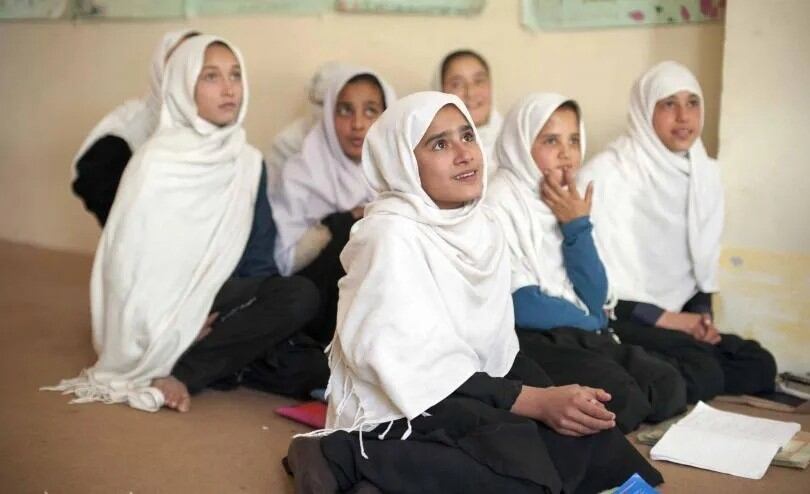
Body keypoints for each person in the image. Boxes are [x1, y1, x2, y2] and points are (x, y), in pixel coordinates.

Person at [285, 92, 663, 494]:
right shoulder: (390, 235)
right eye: (440, 144)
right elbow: (415, 368)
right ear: (403, 163)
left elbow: (494, 354)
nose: (465, 154)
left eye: (467, 136)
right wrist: (531, 400)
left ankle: (385, 480)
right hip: (403, 404)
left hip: (472, 383)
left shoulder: (482, 227)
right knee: (526, 470)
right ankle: (343, 456)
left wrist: (549, 398)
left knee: (582, 433)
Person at [45, 35, 325, 413]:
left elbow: (258, 259)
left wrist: (251, 306)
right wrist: (181, 320)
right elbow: (128, 268)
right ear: (181, 85)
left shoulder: (247, 162)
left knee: (299, 299)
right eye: (210, 76)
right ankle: (190, 370)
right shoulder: (154, 162)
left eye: (235, 75)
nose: (229, 89)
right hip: (162, 307)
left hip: (218, 297)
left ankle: (214, 359)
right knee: (293, 361)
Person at [487, 93, 687, 432]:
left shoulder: (568, 198)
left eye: (574, 140)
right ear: (520, 143)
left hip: (581, 328)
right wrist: (591, 320)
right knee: (620, 399)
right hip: (531, 338)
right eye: (551, 140)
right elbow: (518, 304)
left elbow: (596, 292)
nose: (566, 153)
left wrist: (576, 225)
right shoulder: (498, 203)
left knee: (669, 384)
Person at [579, 61, 776, 402]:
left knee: (758, 363)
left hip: (681, 315)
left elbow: (701, 262)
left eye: (692, 103)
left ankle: (664, 373)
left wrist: (700, 319)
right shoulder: (607, 175)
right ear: (644, 110)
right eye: (669, 104)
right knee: (701, 368)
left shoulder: (704, 173)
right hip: (620, 315)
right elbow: (589, 282)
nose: (684, 117)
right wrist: (670, 320)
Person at [268, 66, 396, 343]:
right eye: (345, 110)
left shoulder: (399, 172)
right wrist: (342, 221)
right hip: (320, 306)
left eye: (371, 110)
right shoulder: (301, 173)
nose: (358, 123)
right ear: (328, 116)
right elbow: (282, 260)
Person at [71, 29, 199, 225]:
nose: (188, 72)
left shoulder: (215, 125)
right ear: (160, 69)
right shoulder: (127, 129)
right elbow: (94, 182)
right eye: (178, 62)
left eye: (198, 63)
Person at [434, 49, 502, 173]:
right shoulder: (432, 152)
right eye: (457, 84)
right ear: (440, 91)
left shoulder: (520, 144)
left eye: (479, 81)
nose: (470, 93)